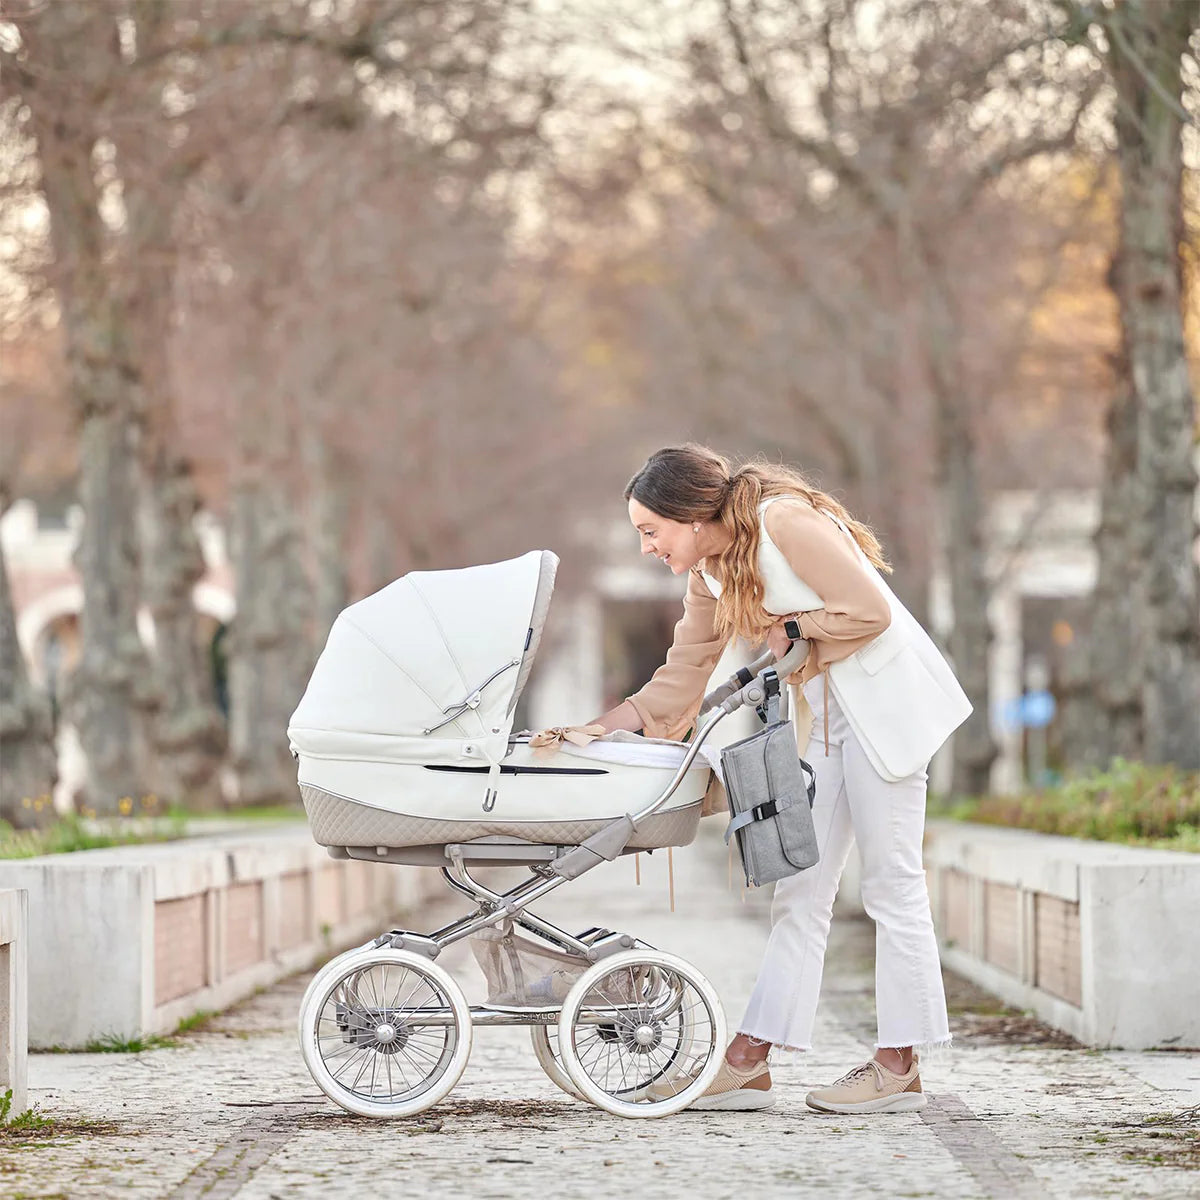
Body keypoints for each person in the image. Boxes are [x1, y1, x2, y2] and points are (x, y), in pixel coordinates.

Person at [590, 445, 972, 1114]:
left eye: (651, 530)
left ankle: (898, 1066)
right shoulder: (709, 575)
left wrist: (793, 627)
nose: (647, 547)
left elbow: (869, 610)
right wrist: (601, 727)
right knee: (799, 888)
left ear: (691, 515)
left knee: (891, 886)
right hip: (822, 719)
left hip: (886, 708)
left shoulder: (784, 521)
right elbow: (683, 675)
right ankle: (749, 1062)